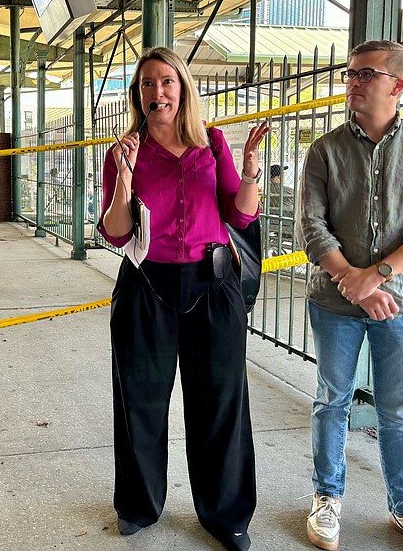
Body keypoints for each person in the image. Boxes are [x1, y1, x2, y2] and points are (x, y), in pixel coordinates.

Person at [97, 46, 268, 551]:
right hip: (146, 286)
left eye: (167, 82)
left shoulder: (211, 143)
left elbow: (240, 216)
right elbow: (115, 233)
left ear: (183, 88)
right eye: (147, 84)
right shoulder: (122, 152)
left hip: (212, 286)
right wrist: (125, 180)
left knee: (220, 402)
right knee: (139, 401)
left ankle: (226, 515)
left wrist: (252, 174)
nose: (158, 92)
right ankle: (138, 504)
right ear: (138, 95)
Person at [296, 40, 403, 551]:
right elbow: (311, 228)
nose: (353, 82)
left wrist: (379, 275)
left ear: (398, 86)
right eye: (350, 74)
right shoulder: (324, 151)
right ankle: (327, 499)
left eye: (365, 74)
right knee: (332, 400)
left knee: (397, 411)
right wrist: (354, 280)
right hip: (334, 303)